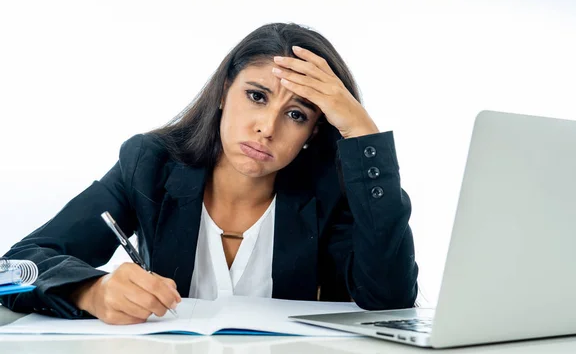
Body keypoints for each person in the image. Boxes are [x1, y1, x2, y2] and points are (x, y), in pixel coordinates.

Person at [0, 22, 419, 325]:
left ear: (314, 131)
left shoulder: (335, 188)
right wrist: (90, 290)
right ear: (224, 92)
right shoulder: (149, 165)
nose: (267, 128)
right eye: (257, 96)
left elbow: (390, 301)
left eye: (296, 114)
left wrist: (363, 133)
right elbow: (15, 267)